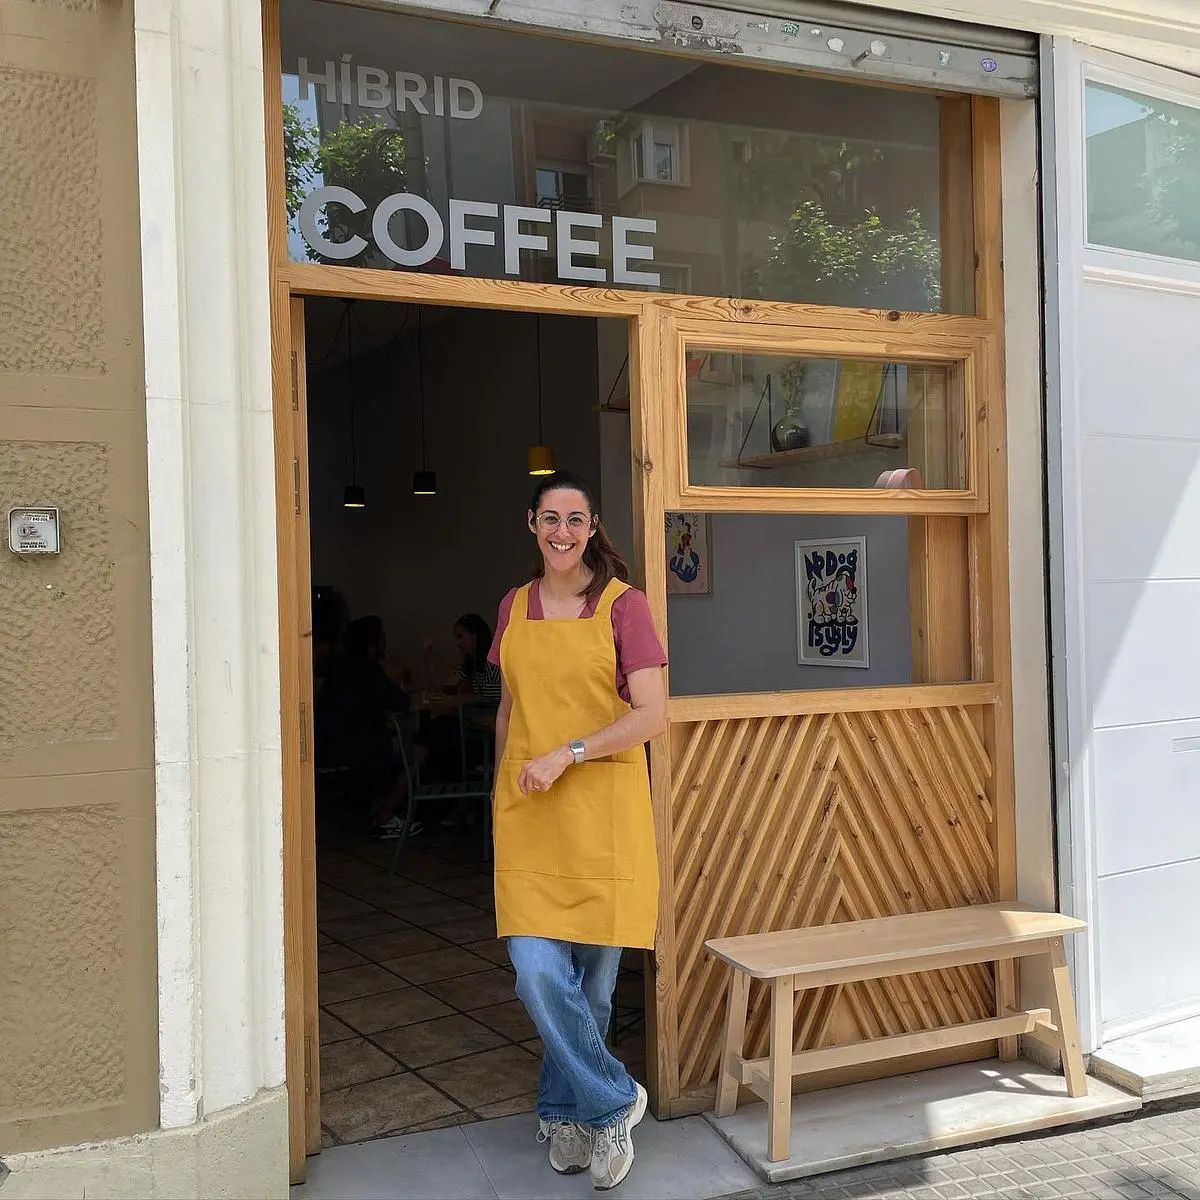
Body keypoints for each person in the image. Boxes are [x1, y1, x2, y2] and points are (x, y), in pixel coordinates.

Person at [489, 470, 666, 1191]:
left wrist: (570, 752)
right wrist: (499, 789)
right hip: (530, 812)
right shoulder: (513, 606)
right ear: (532, 524)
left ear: (592, 529)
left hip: (603, 816)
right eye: (550, 518)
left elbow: (653, 715)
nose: (562, 532)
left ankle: (567, 1115)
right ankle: (616, 1100)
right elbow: (509, 709)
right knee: (536, 971)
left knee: (592, 992)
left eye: (575, 520)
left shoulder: (626, 607)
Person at [314, 614, 411, 834]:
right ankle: (387, 813)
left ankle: (371, 806)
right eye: (382, 637)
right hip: (363, 747)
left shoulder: (335, 669)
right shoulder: (369, 670)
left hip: (328, 745)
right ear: (372, 642)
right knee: (414, 753)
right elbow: (398, 701)